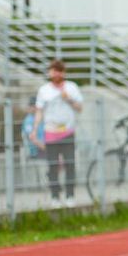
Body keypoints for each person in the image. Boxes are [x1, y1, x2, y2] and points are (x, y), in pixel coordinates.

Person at [34, 59, 84, 206]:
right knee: (53, 166)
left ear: (63, 73)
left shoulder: (71, 87)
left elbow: (80, 108)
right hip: (50, 133)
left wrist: (68, 98)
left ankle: (70, 196)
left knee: (70, 164)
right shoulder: (44, 90)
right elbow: (39, 111)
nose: (56, 73)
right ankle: (55, 197)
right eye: (53, 70)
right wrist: (35, 129)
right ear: (50, 72)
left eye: (59, 71)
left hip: (68, 132)